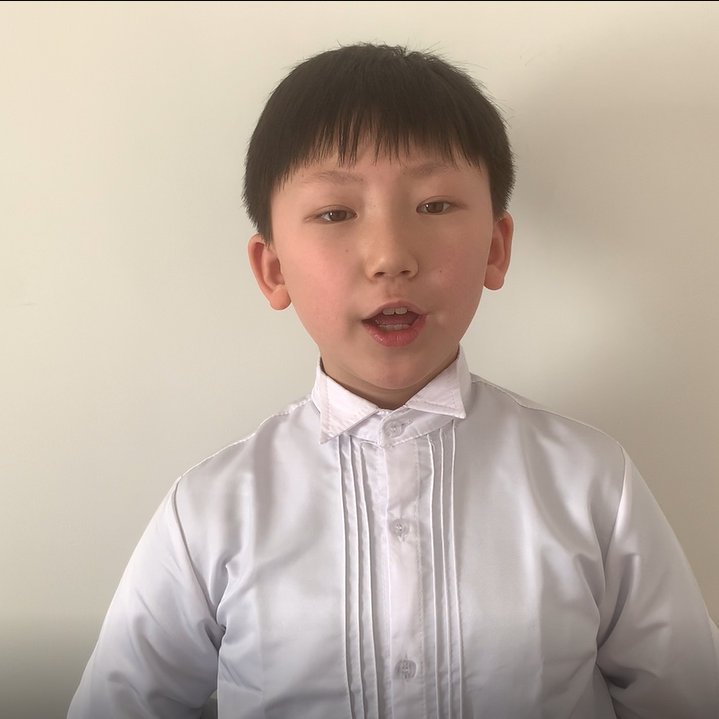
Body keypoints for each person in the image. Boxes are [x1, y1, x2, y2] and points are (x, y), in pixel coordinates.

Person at [68, 43, 719, 719]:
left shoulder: (590, 482)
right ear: (273, 269)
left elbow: (689, 696)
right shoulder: (209, 510)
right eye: (335, 213)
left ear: (495, 249)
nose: (390, 257)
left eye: (434, 204)